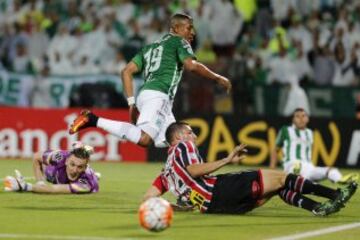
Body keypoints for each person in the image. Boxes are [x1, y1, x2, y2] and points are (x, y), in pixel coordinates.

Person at [68, 13, 231, 148]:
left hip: (148, 95)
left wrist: (131, 103)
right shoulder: (179, 41)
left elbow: (126, 71)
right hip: (159, 95)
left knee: (176, 141)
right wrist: (217, 77)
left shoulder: (149, 47)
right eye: (189, 28)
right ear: (176, 28)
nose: (192, 32)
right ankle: (92, 119)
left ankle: (183, 180)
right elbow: (191, 66)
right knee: (145, 139)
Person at [143, 122, 357, 216]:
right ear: (179, 136)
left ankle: (318, 208)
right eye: (190, 132)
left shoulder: (165, 173)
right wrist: (226, 159)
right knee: (283, 177)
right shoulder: (183, 146)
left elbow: (147, 199)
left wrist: (175, 206)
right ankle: (336, 193)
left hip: (217, 209)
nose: (194, 136)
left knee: (275, 188)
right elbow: (194, 170)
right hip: (219, 190)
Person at [270, 108, 358, 184]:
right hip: (291, 165)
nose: (301, 119)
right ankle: (297, 180)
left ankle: (340, 180)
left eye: (303, 116)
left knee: (330, 170)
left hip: (309, 167)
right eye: (297, 116)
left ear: (308, 119)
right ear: (293, 119)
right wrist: (272, 168)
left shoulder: (310, 133)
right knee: (297, 168)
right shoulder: (286, 130)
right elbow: (275, 149)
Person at [4, 142, 99, 194]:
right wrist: (40, 183)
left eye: (80, 167)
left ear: (85, 167)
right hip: (54, 173)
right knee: (49, 173)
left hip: (72, 182)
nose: (74, 170)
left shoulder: (86, 184)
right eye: (72, 164)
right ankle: (79, 147)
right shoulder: (61, 157)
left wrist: (26, 187)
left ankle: (95, 175)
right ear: (66, 161)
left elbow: (53, 189)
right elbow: (37, 157)